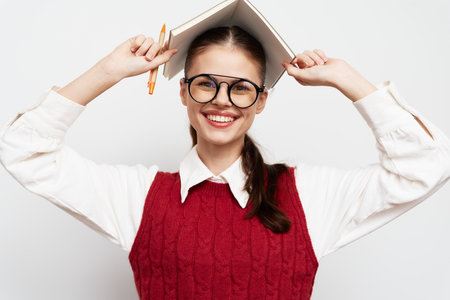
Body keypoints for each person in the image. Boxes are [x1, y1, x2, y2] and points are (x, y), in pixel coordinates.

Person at [1, 25, 449, 299]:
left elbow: (427, 164)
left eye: (240, 88)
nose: (221, 101)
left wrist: (349, 80)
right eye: (206, 83)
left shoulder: (309, 198)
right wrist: (106, 72)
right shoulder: (136, 197)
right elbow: (22, 150)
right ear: (183, 90)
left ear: (261, 101)